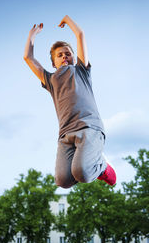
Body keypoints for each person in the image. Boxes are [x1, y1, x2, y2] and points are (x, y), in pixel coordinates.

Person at [23, 15, 116, 187]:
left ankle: (102, 167)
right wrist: (32, 35)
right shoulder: (50, 80)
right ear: (54, 63)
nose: (64, 56)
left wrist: (67, 19)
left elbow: (80, 35)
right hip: (65, 135)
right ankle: (87, 163)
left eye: (68, 53)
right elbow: (28, 58)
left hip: (89, 128)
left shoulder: (81, 70)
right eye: (60, 55)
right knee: (62, 180)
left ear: (74, 57)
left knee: (82, 172)